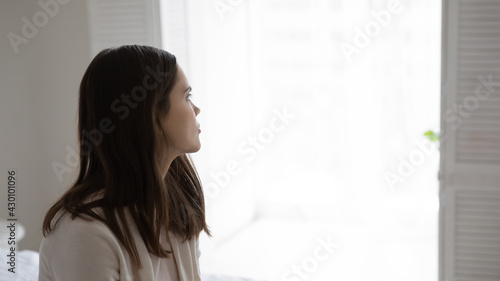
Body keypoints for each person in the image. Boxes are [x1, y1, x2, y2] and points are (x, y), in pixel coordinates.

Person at [38, 45, 211, 281]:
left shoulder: (176, 207)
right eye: (187, 96)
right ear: (152, 114)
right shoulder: (83, 234)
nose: (197, 109)